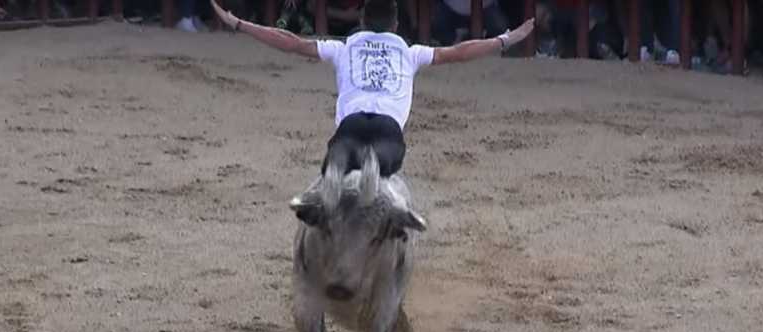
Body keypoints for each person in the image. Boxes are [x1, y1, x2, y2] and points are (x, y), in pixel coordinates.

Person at [210, 0, 535, 179]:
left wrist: (240, 24)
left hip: (350, 127)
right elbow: (461, 51)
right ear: (395, 25)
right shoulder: (410, 52)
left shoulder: (346, 46)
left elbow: (291, 43)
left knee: (327, 186)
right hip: (388, 130)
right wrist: (505, 39)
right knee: (389, 190)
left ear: (362, 22)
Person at [432, 0, 509, 46]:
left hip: (485, 7)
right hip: (451, 7)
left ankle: (484, 46)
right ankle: (454, 43)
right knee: (434, 23)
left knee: (501, 29)